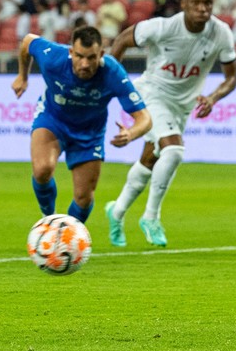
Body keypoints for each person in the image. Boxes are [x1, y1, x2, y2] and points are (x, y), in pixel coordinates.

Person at [105, 0, 236, 247]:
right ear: (184, 3)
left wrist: (213, 97)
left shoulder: (221, 32)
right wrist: (109, 83)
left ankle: (116, 212)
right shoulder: (162, 27)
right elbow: (120, 41)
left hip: (181, 106)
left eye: (208, 3)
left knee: (151, 159)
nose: (203, 8)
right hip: (150, 94)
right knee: (174, 149)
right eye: (197, 2)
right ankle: (151, 217)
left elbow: (231, 77)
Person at [12, 26, 152, 223]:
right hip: (53, 119)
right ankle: (48, 220)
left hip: (89, 132)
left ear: (101, 55)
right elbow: (27, 41)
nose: (85, 64)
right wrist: (22, 76)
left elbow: (145, 118)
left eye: (91, 58)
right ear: (71, 52)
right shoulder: (53, 57)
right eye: (79, 56)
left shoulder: (112, 72)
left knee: (84, 198)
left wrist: (130, 134)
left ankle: (69, 235)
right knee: (42, 169)